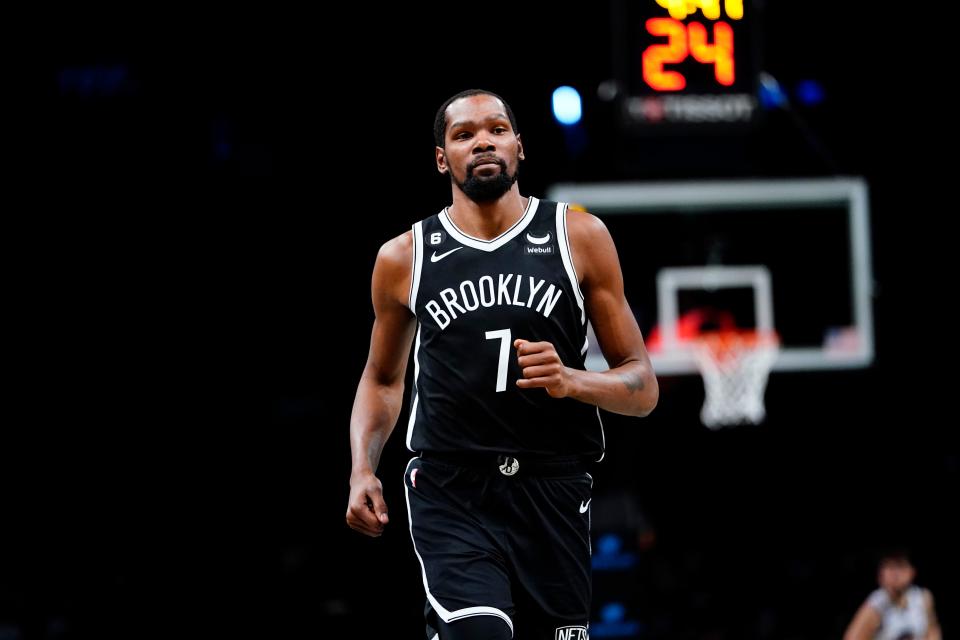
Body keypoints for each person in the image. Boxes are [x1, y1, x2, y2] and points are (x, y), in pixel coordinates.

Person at [345, 88, 658, 640]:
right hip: (451, 487)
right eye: (464, 134)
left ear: (519, 146)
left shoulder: (579, 238)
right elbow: (383, 378)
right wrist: (362, 467)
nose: (482, 141)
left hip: (553, 487)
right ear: (443, 158)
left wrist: (571, 380)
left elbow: (641, 386)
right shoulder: (403, 257)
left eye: (496, 129)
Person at [844, 550, 941, 640]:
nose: (895, 574)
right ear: (880, 574)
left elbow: (932, 630)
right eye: (889, 567)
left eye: (900, 566)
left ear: (911, 572)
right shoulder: (876, 603)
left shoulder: (922, 597)